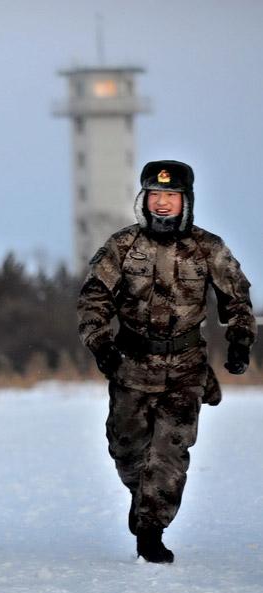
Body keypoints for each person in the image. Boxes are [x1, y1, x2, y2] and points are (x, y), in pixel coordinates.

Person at [77, 160, 256, 563]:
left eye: (170, 196)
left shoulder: (208, 247)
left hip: (186, 369)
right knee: (126, 449)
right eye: (155, 195)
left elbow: (237, 298)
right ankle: (141, 497)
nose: (162, 203)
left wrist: (241, 341)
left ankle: (151, 531)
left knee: (170, 453)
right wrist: (100, 344)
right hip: (131, 365)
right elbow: (93, 299)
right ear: (143, 199)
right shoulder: (121, 246)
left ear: (185, 201)